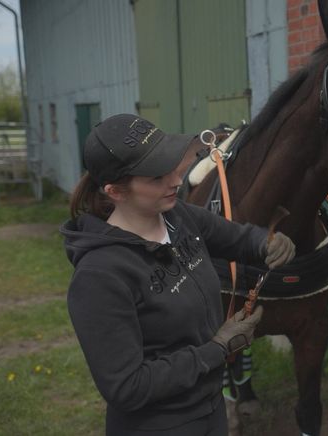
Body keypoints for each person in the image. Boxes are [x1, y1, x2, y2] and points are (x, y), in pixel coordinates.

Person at [61, 114, 295, 435]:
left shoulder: (177, 216)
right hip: (162, 426)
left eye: (171, 165)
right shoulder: (99, 276)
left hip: (211, 410)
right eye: (157, 177)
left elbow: (233, 237)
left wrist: (265, 244)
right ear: (115, 191)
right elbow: (127, 387)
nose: (175, 180)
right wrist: (217, 349)